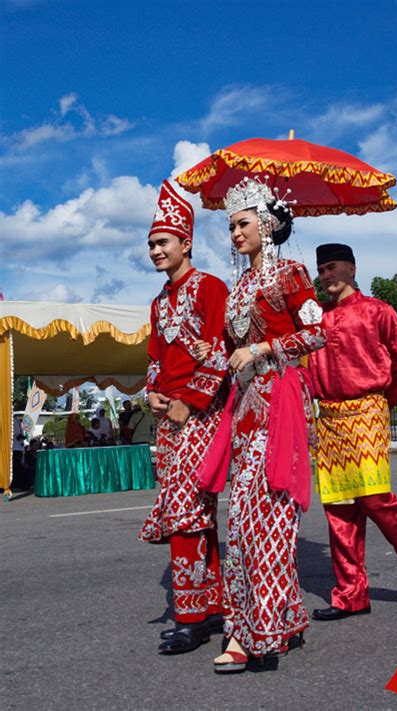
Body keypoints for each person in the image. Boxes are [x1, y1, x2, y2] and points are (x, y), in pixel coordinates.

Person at [202, 177, 326, 673]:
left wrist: (262, 348)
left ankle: (255, 632)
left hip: (280, 402)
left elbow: (317, 333)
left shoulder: (290, 274)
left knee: (267, 519)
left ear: (267, 224)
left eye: (243, 223)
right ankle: (277, 617)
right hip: (245, 409)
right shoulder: (239, 287)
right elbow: (226, 350)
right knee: (246, 521)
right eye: (230, 225)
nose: (234, 233)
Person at [309, 243, 397, 622]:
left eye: (332, 267)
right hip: (328, 418)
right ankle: (350, 596)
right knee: (339, 509)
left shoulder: (378, 310)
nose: (326, 275)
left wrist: (384, 402)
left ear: (351, 268)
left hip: (367, 410)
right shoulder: (317, 322)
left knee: (377, 500)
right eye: (322, 270)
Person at [138, 179, 229, 655]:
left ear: (185, 243)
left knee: (185, 514)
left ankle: (191, 618)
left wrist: (189, 402)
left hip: (201, 416)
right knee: (194, 515)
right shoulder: (157, 303)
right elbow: (155, 357)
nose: (155, 250)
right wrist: (154, 393)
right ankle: (213, 606)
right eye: (151, 244)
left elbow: (220, 350)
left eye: (162, 242)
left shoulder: (212, 288)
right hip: (168, 419)